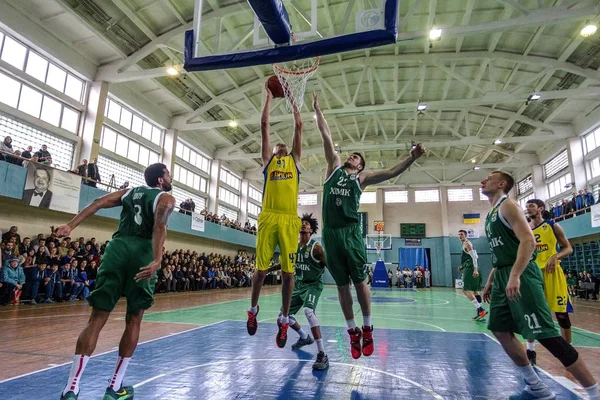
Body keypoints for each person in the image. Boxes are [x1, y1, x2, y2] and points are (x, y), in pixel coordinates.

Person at [313, 91, 424, 359]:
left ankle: (368, 326)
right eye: (351, 155)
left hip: (351, 233)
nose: (351, 157)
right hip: (331, 234)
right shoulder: (334, 168)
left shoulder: (361, 179)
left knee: (361, 283)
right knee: (341, 286)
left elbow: (391, 173)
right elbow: (326, 137)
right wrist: (318, 110)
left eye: (357, 157)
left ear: (361, 165)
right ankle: (352, 331)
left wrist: (412, 157)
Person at [56, 163, 175, 400]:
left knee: (97, 318)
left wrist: (71, 225)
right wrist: (158, 259)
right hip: (142, 252)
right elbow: (159, 227)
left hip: (117, 250)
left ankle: (71, 388)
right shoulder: (166, 198)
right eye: (168, 174)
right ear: (161, 180)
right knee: (133, 320)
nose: (171, 177)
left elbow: (97, 202)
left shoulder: (129, 192)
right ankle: (114, 387)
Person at [481, 171, 600, 400]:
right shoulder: (492, 213)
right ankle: (536, 387)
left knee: (546, 334)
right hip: (503, 273)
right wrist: (491, 280)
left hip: (523, 274)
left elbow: (528, 241)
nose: (483, 181)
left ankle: (593, 392)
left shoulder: (508, 206)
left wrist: (515, 275)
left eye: (489, 178)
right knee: (500, 329)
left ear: (502, 183)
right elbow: (505, 251)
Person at [246, 80, 303, 349]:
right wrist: (269, 97)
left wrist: (292, 98)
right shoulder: (268, 162)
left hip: (290, 218)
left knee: (288, 274)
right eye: (277, 145)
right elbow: (264, 127)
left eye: (283, 144)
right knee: (260, 271)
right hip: (268, 216)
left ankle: (283, 318)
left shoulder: (295, 161)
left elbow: (299, 126)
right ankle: (253, 310)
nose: (280, 144)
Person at [268, 213, 329, 370]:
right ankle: (304, 337)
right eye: (302, 223)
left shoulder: (317, 248)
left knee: (308, 311)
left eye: (307, 224)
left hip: (313, 285)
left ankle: (322, 354)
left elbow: (328, 264)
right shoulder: (293, 247)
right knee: (282, 317)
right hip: (299, 284)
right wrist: (267, 270)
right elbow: (284, 264)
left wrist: (343, 279)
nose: (304, 225)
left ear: (311, 230)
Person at [524, 199, 574, 366]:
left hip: (553, 274)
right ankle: (530, 350)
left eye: (531, 206)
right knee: (533, 313)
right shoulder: (525, 229)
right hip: (534, 274)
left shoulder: (552, 226)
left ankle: (569, 351)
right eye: (527, 207)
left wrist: (555, 256)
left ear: (540, 209)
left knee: (562, 315)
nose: (528, 209)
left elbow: (568, 248)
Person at [458, 229, 486, 321]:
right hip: (470, 267)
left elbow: (474, 257)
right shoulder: (464, 244)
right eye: (459, 234)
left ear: (465, 235)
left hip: (471, 269)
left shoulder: (467, 244)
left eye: (461, 234)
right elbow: (470, 258)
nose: (460, 236)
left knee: (466, 290)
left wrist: (475, 269)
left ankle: (480, 309)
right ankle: (480, 313)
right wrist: (462, 266)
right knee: (475, 291)